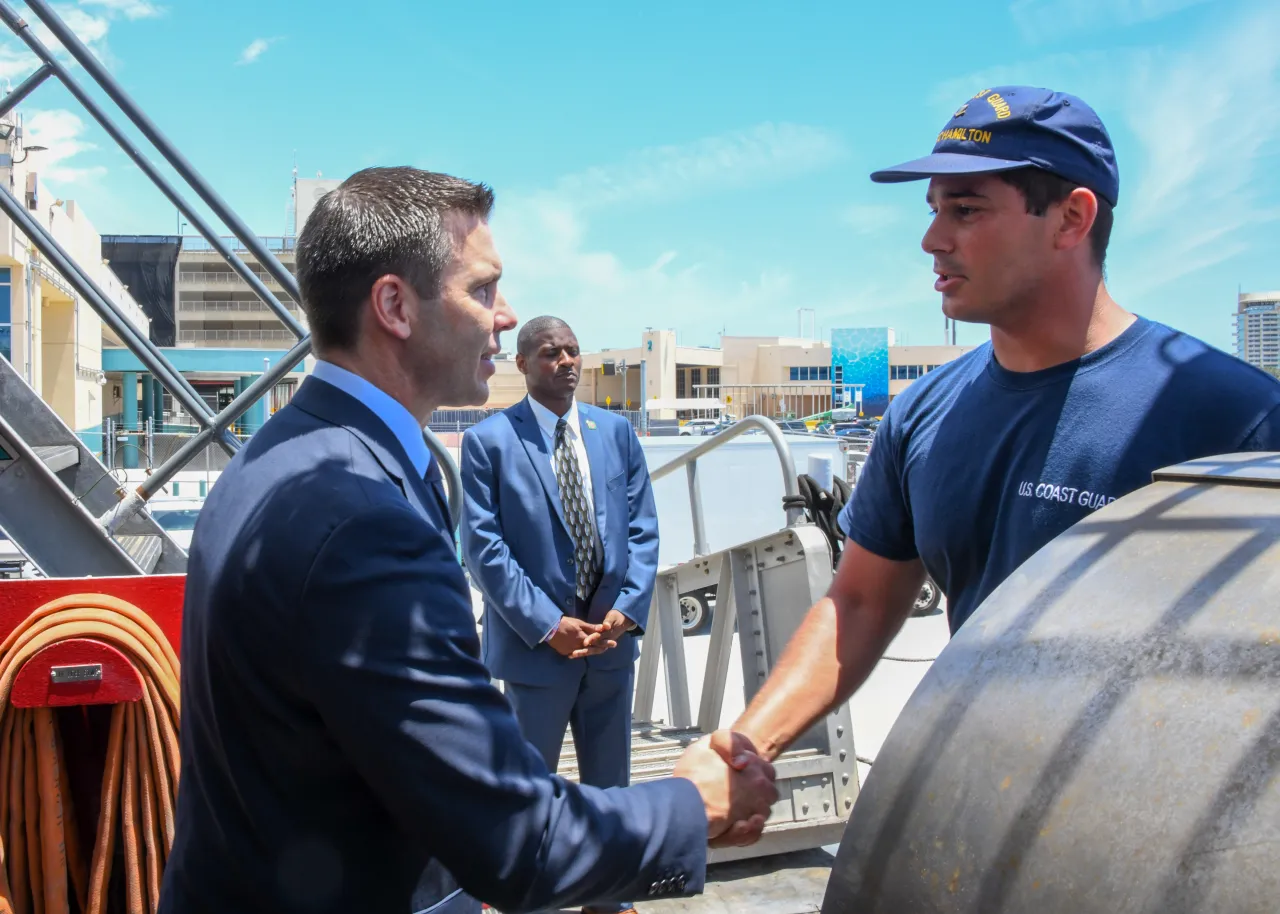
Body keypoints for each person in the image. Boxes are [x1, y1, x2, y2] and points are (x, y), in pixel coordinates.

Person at [157, 166, 778, 914]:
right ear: (395, 306)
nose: (507, 315)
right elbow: (521, 843)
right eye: (482, 290)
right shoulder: (361, 519)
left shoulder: (281, 457)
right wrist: (692, 805)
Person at [719, 86, 1280, 765]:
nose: (931, 240)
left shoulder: (1239, 421)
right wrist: (744, 748)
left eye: (965, 209)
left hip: (1156, 839)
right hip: (973, 804)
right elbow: (860, 603)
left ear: (1071, 219)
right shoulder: (922, 412)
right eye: (933, 210)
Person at [461, 315, 656, 914]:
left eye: (573, 351)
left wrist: (627, 608)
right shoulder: (488, 441)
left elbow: (643, 528)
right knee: (533, 793)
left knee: (610, 792)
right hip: (536, 655)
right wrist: (547, 626)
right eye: (551, 353)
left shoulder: (616, 433)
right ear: (522, 364)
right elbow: (483, 548)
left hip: (609, 649)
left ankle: (608, 898)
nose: (567, 362)